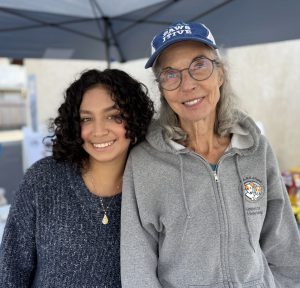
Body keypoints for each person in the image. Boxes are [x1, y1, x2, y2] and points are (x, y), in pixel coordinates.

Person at [121, 21, 300, 288]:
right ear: (161, 88)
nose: (187, 84)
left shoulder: (256, 149)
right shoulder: (144, 162)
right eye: (171, 74)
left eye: (199, 66)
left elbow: (283, 246)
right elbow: (138, 266)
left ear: (220, 73)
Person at [0, 68, 154, 287]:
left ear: (135, 118)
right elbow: (10, 272)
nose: (98, 130)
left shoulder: (152, 187)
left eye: (114, 116)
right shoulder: (43, 179)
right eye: (86, 118)